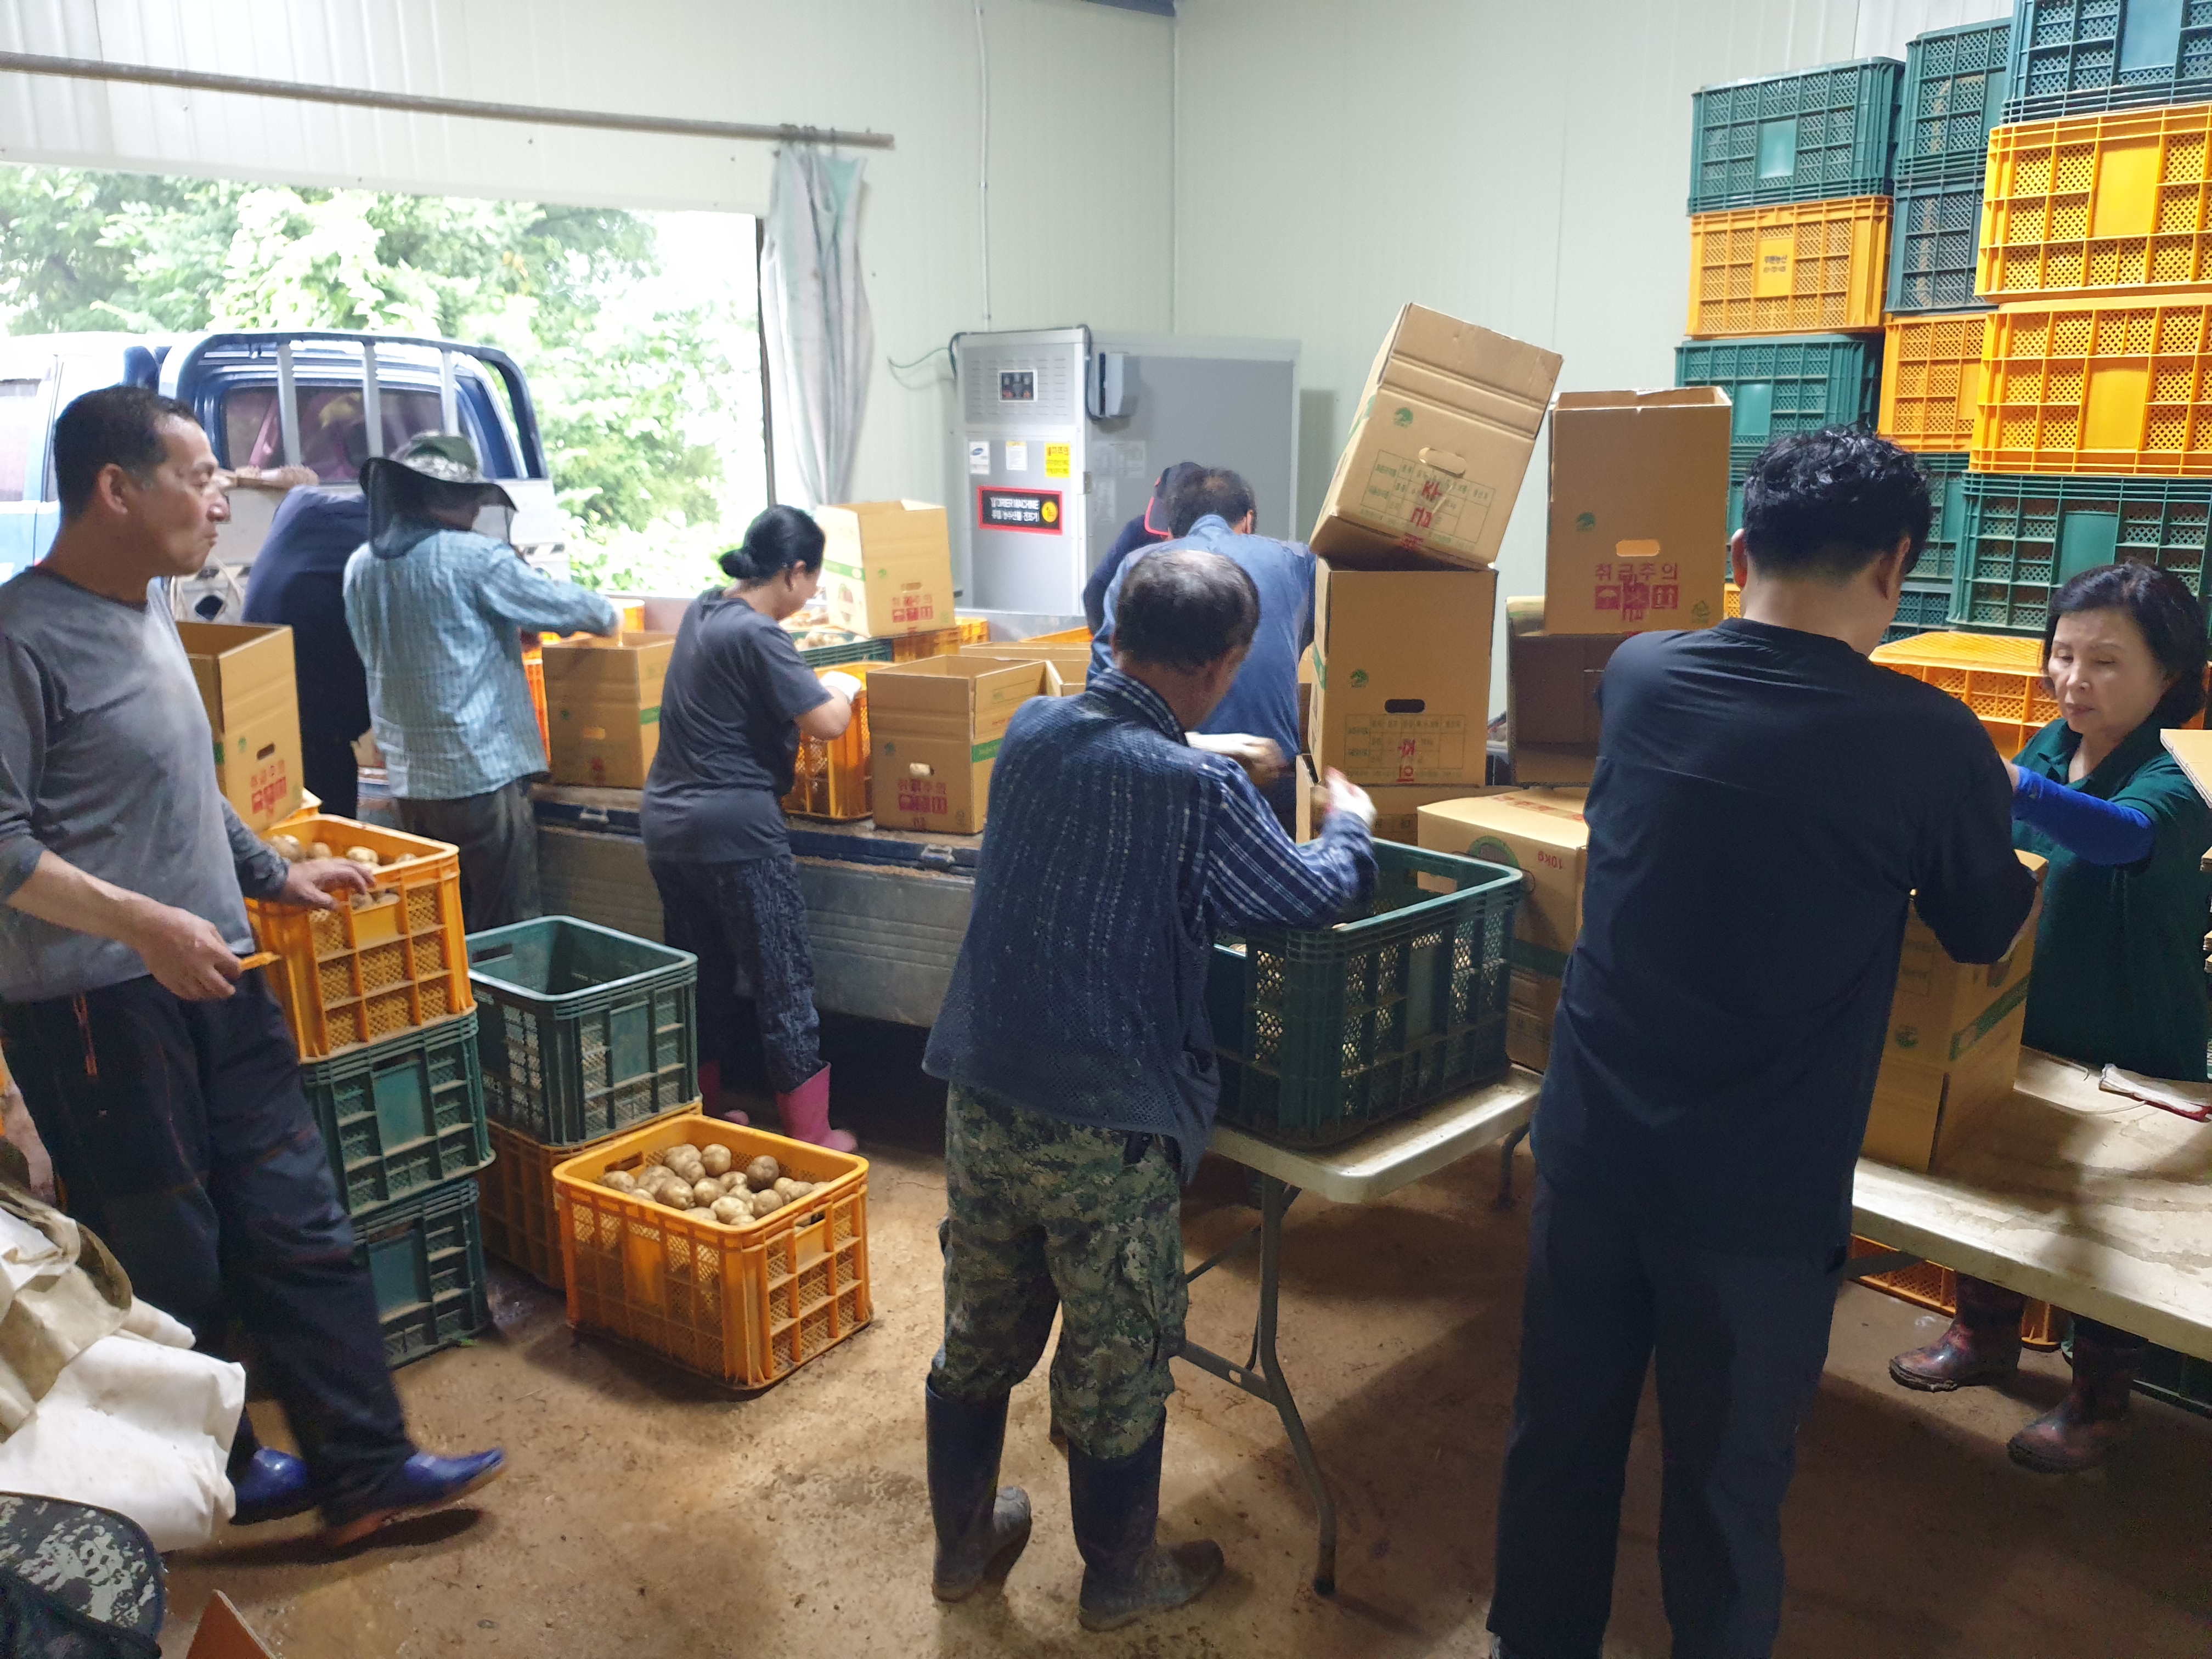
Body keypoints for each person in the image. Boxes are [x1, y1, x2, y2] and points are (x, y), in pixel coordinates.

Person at [1487, 430, 2039, 1659]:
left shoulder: (1641, 673)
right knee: (1726, 1491)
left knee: (1559, 1441)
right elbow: (1986, 926)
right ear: (1894, 567)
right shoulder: (1929, 739)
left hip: (1591, 1152)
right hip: (1757, 1195)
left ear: (1740, 552)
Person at [0, 386, 503, 1549]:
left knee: (300, 1220)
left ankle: (366, 1470)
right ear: (116, 489)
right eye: (199, 476)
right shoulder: (19, 637)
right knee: (168, 1257)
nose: (222, 499)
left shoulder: (148, 603)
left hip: (215, 969)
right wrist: (144, 925)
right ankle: (203, 1477)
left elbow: (185, 780)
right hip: (97, 1005)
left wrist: (272, 872)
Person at [922, 550, 1378, 1632]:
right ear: (1223, 665)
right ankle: (1120, 1575)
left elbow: (1117, 742)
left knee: (977, 1327)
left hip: (983, 1093)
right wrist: (1349, 819)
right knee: (1116, 1354)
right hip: (1108, 1122)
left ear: (1115, 629)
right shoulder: (1197, 791)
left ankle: (962, 1548)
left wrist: (1211, 750)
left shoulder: (1033, 730)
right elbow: (1309, 895)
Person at [1889, 563, 2212, 1472]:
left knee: (2116, 1226)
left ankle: (2099, 1400)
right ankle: (1983, 1336)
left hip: (2132, 1035)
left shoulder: (2182, 770)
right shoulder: (2048, 743)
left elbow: (2123, 836)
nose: (2073, 680)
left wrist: (2005, 785)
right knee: (1997, 1185)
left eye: (2105, 661)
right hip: (2024, 1016)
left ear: (2170, 675)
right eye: (2062, 655)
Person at [641, 506, 861, 1150]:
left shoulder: (705, 610)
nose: (811, 596)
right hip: (735, 832)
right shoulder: (761, 635)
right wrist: (842, 687)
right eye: (813, 582)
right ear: (794, 572)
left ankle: (706, 1114)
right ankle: (811, 1135)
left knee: (703, 976)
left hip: (667, 827)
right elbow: (828, 724)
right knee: (782, 981)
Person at [343, 432, 617, 930]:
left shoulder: (361, 566)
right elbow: (583, 612)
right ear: (453, 497)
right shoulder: (471, 558)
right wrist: (611, 615)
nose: (475, 508)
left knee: (440, 924)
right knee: (506, 923)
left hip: (409, 780)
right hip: (479, 775)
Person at [1091, 467, 1312, 832]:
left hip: (1154, 783)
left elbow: (1103, 700)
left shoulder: (1138, 567)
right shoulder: (1296, 561)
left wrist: (1186, 743)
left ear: (1172, 530)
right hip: (1269, 782)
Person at [242, 484, 373, 817]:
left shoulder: (300, 501)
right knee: (325, 823)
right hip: (314, 719)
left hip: (254, 696)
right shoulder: (384, 536)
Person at [1081, 460, 1201, 635]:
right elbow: (1096, 589)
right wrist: (1106, 644)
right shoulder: (1138, 532)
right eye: (1162, 532)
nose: (1166, 537)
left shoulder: (1220, 543)